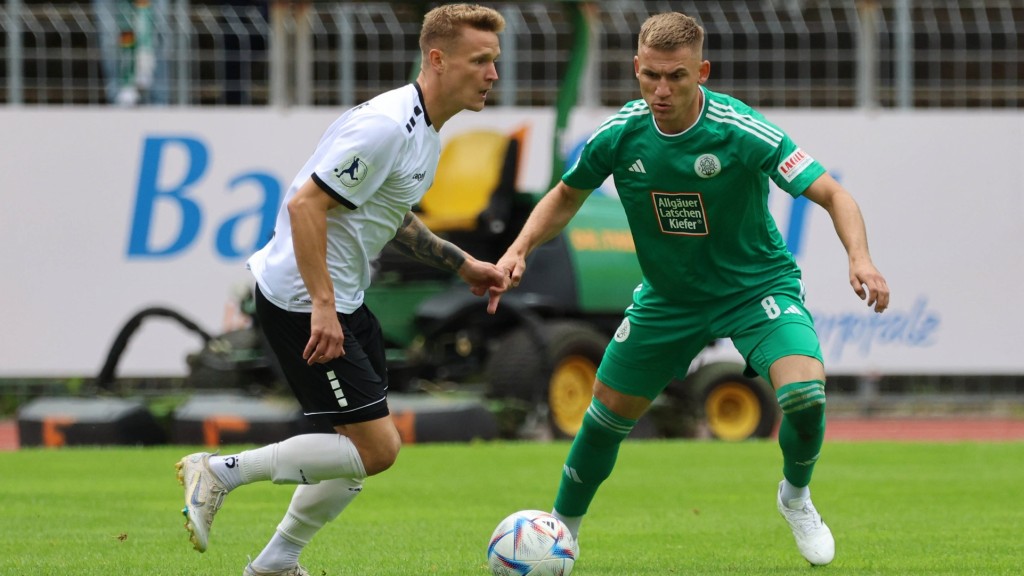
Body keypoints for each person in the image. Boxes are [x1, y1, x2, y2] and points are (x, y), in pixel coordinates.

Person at [490, 11, 889, 567]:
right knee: (604, 417)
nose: (661, 89)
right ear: (635, 68)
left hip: (756, 288)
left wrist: (860, 258)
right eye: (650, 75)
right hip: (669, 298)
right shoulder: (620, 133)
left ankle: (795, 497)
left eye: (676, 76)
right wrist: (518, 250)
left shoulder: (740, 128)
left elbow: (832, 193)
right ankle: (562, 534)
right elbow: (565, 195)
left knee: (804, 398)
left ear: (702, 71)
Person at [175, 5, 506, 576]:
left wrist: (462, 263)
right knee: (377, 450)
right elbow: (306, 203)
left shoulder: (423, 130)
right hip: (304, 299)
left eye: (493, 61)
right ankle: (219, 472)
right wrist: (323, 308)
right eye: (481, 61)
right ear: (437, 59)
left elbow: (390, 213)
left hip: (342, 299)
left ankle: (277, 562)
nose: (492, 74)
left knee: (353, 451)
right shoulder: (385, 125)